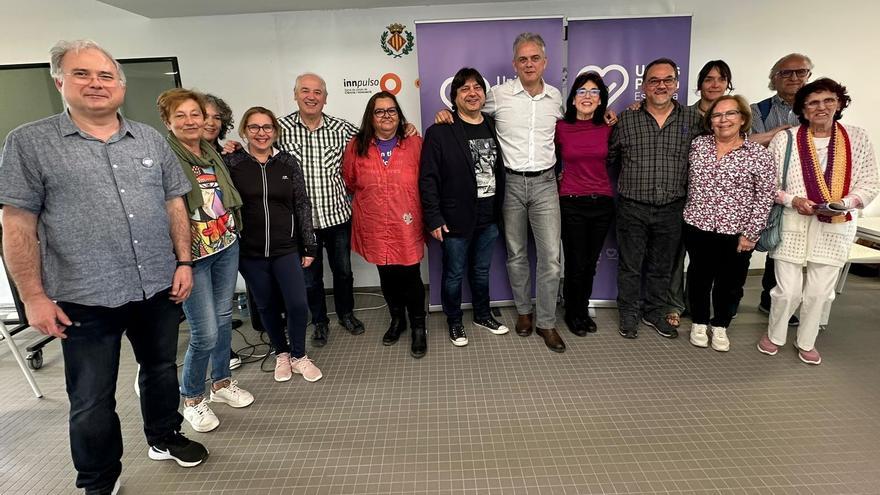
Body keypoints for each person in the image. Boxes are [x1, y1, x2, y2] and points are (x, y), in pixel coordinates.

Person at [0, 40, 207, 495]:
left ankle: (165, 436)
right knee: (91, 399)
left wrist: (184, 261)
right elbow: (17, 224)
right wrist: (33, 296)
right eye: (82, 74)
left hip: (156, 285)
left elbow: (175, 204)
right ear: (60, 81)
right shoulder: (29, 144)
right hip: (82, 297)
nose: (96, 83)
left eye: (105, 75)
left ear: (121, 85)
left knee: (158, 371)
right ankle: (99, 480)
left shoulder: (150, 139)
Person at [757, 78, 879, 365]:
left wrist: (845, 203)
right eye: (813, 102)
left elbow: (871, 182)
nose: (821, 107)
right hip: (794, 221)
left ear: (839, 103)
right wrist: (792, 200)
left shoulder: (857, 138)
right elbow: (769, 184)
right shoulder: (785, 139)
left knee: (819, 291)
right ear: (803, 108)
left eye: (828, 101)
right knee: (787, 290)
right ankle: (774, 335)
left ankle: (807, 340)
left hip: (836, 224)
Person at [158, 88, 254, 433]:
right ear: (167, 121)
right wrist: (180, 260)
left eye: (195, 115)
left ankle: (221, 384)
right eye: (180, 116)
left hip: (226, 244)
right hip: (192, 256)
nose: (190, 121)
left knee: (225, 319)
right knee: (205, 332)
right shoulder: (164, 156)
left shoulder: (211, 151)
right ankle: (192, 398)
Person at [608, 57, 703, 340]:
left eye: (667, 80)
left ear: (676, 84)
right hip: (632, 206)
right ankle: (628, 312)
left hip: (672, 208)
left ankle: (654, 311)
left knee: (663, 266)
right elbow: (610, 157)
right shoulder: (626, 119)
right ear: (643, 86)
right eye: (654, 81)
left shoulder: (693, 119)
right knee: (630, 265)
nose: (661, 86)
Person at [226, 107, 322, 381]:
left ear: (275, 132)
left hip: (285, 248)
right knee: (266, 306)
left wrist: (309, 244)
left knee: (296, 303)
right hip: (250, 251)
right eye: (254, 127)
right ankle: (281, 352)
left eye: (267, 127)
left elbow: (302, 204)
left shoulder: (288, 163)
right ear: (244, 131)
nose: (261, 133)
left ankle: (299, 355)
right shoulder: (232, 163)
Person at [420, 67, 508, 347]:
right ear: (454, 96)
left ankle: (482, 314)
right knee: (454, 273)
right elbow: (428, 178)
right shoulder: (440, 131)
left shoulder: (495, 125)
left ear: (484, 94)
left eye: (477, 88)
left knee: (481, 271)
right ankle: (454, 321)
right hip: (455, 217)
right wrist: (433, 217)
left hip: (490, 216)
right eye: (464, 89)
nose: (472, 93)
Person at [276, 73, 364, 346]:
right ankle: (320, 322)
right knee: (310, 280)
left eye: (317, 92)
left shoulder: (343, 129)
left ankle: (346, 314)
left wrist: (406, 130)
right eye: (305, 91)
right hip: (302, 224)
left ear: (326, 98)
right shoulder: (279, 129)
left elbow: (374, 141)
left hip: (337, 217)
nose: (311, 96)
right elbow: (257, 153)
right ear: (295, 94)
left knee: (344, 272)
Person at [683, 95, 775, 351]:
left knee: (730, 282)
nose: (723, 120)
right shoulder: (698, 145)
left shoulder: (758, 154)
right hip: (697, 225)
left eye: (730, 114)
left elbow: (765, 197)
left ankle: (720, 325)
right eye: (717, 115)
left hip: (736, 232)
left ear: (743, 118)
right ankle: (700, 321)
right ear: (710, 121)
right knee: (699, 277)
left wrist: (751, 233)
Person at [343, 92, 427, 358]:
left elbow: (427, 179)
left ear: (399, 114)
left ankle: (417, 326)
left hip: (407, 221)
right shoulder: (356, 145)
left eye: (391, 110)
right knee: (387, 276)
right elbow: (350, 180)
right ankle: (397, 320)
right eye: (379, 111)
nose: (386, 116)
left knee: (411, 276)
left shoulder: (415, 143)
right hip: (375, 222)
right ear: (371, 116)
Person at [666, 60, 737, 327]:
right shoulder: (684, 115)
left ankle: (719, 311)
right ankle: (676, 303)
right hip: (686, 197)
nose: (714, 84)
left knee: (721, 262)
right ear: (699, 85)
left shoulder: (736, 115)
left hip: (726, 205)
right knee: (680, 257)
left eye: (720, 79)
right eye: (708, 79)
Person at [752, 54, 815, 325]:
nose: (794, 78)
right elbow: (751, 146)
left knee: (792, 246)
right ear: (774, 77)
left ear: (808, 76)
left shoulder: (816, 108)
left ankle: (779, 302)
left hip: (808, 187)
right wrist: (781, 134)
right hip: (767, 185)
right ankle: (756, 299)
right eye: (786, 73)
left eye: (800, 72)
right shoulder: (759, 109)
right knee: (764, 240)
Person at [555, 71, 615, 336]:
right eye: (582, 91)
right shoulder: (561, 127)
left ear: (601, 99)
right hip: (571, 202)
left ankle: (582, 306)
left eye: (593, 92)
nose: (587, 96)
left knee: (590, 263)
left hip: (602, 202)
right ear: (573, 98)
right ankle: (573, 312)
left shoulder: (609, 126)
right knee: (576, 262)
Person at [200, 93, 248, 369]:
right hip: (197, 243)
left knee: (222, 306)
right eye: (205, 115)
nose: (211, 122)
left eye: (217, 117)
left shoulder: (226, 153)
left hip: (227, 237)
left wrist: (237, 152)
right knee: (205, 310)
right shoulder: (176, 153)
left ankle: (222, 357)